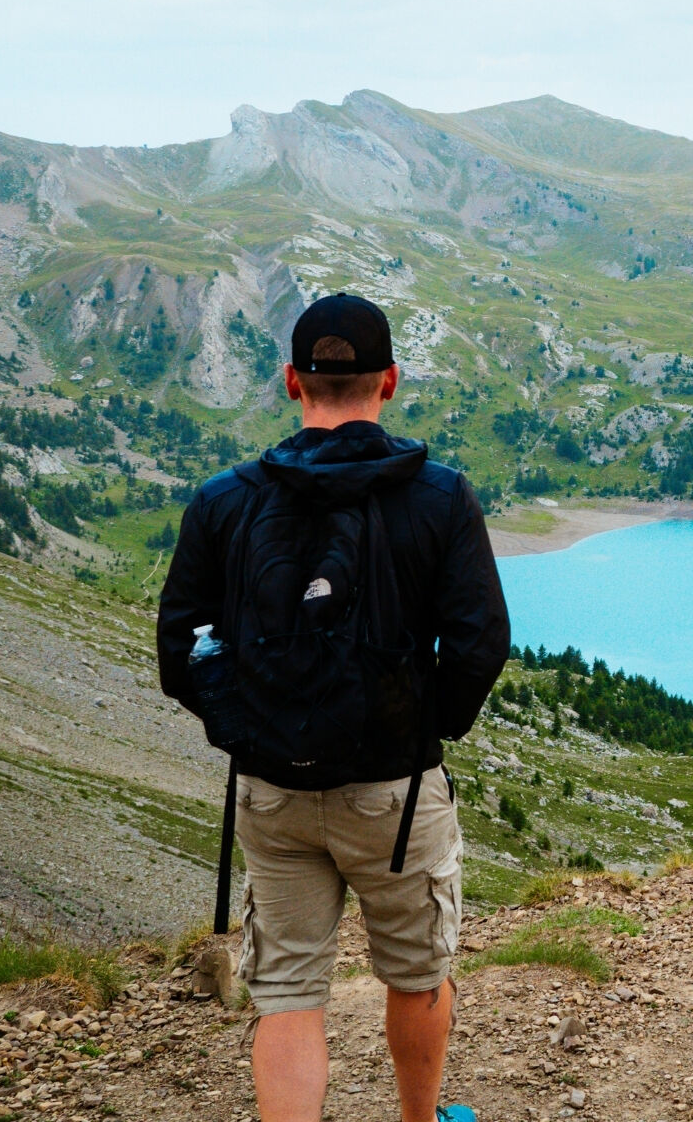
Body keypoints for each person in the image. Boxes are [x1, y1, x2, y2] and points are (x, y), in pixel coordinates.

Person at [157, 293, 509, 1122]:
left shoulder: (223, 500)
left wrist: (246, 722)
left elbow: (181, 652)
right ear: (390, 381)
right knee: (418, 973)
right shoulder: (439, 497)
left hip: (272, 789)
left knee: (288, 995)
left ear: (292, 382)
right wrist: (426, 728)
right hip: (396, 795)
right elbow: (478, 644)